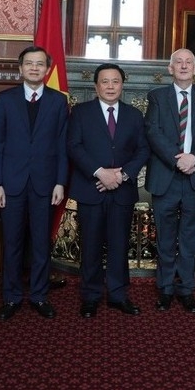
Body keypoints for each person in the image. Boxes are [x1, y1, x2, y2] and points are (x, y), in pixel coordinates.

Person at [0, 46, 68, 320]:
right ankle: (11, 297)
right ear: (20, 68)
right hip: (11, 184)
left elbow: (62, 145)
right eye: (29, 64)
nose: (34, 68)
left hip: (45, 184)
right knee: (12, 242)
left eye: (39, 64)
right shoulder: (5, 99)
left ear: (47, 69)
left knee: (40, 243)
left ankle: (39, 295)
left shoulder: (58, 101)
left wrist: (60, 182)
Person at [67, 63, 150, 318]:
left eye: (115, 81)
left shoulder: (134, 115)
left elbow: (143, 150)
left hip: (122, 191)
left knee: (119, 244)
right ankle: (90, 295)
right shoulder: (80, 112)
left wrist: (121, 176)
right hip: (91, 188)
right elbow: (73, 146)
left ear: (122, 85)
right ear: (96, 86)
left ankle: (118, 294)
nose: (110, 86)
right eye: (105, 81)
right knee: (90, 245)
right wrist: (99, 172)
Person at [144, 49, 195, 313]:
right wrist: (177, 159)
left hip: (194, 178)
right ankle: (165, 289)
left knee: (190, 238)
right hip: (166, 176)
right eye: (178, 62)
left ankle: (187, 289)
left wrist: (194, 158)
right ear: (170, 68)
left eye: (189, 62)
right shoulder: (157, 96)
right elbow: (152, 131)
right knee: (165, 237)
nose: (184, 66)